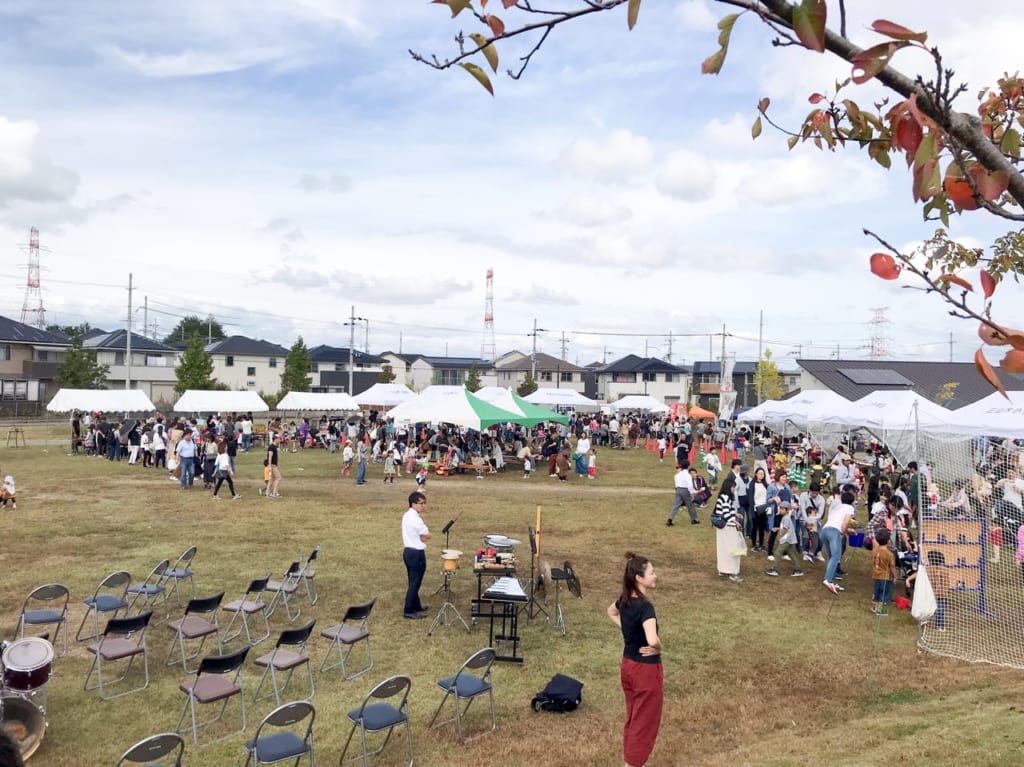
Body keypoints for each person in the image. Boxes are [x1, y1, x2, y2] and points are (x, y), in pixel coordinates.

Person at [607, 552, 662, 767]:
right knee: (644, 721)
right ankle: (633, 763)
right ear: (639, 578)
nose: (655, 576)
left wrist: (628, 629)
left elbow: (611, 611)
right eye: (651, 572)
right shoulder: (646, 608)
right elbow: (652, 639)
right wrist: (658, 646)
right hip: (645, 671)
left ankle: (632, 759)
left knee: (633, 715)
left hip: (627, 666)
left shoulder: (624, 600)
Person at [402, 491, 431, 619]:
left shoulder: (407, 516)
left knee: (413, 581)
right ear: (413, 504)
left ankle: (416, 604)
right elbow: (426, 535)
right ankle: (408, 610)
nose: (423, 506)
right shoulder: (416, 519)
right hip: (416, 554)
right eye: (421, 503)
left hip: (408, 552)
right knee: (415, 583)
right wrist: (425, 537)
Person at [821, 490, 857, 594]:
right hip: (834, 532)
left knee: (832, 556)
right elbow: (845, 523)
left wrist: (847, 531)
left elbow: (837, 522)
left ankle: (830, 579)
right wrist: (845, 532)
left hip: (825, 530)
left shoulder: (838, 507)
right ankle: (827, 580)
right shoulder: (850, 508)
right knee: (836, 556)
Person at [716, 459, 745, 582]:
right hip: (728, 528)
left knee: (723, 550)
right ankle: (733, 572)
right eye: (733, 487)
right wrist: (735, 521)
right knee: (734, 550)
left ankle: (723, 569)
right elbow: (726, 514)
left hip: (723, 528)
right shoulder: (726, 497)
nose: (734, 490)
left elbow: (725, 512)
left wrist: (735, 514)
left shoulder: (723, 497)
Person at [765, 501, 803, 577]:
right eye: (780, 508)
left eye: (782, 509)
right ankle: (798, 569)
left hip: (786, 539)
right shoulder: (785, 518)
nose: (780, 510)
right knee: (792, 554)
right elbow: (785, 528)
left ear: (787, 510)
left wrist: (780, 537)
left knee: (778, 552)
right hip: (790, 539)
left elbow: (785, 530)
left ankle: (775, 569)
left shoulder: (786, 518)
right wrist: (778, 529)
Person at [871, 529, 896, 615]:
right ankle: (879, 610)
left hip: (875, 575)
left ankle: (876, 607)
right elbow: (892, 566)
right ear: (888, 541)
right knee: (883, 593)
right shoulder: (889, 554)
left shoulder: (874, 550)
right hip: (885, 576)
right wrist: (895, 576)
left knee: (877, 592)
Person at [667, 460, 699, 526]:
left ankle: (670, 519)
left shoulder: (678, 474)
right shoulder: (687, 475)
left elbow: (676, 484)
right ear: (688, 466)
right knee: (690, 505)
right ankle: (694, 519)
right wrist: (692, 494)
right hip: (685, 490)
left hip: (678, 489)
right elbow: (690, 485)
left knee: (675, 506)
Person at [266, 434, 282, 498]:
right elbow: (269, 457)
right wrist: (269, 466)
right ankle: (274, 493)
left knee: (271, 480)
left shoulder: (275, 447)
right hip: (272, 465)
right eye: (279, 439)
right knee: (278, 478)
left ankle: (268, 493)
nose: (280, 440)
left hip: (273, 465)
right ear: (275, 439)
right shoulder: (271, 447)